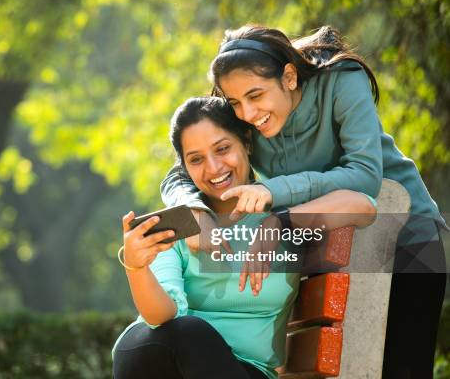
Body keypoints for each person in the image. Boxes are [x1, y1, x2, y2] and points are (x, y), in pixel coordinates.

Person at [161, 25, 447, 378]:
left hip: (405, 237)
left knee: (405, 369)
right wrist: (194, 211)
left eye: (255, 96)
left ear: (290, 77)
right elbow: (182, 167)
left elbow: (365, 176)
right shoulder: (245, 115)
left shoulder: (341, 80)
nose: (248, 114)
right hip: (326, 247)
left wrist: (276, 201)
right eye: (236, 102)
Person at [113, 97, 376, 379]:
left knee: (195, 338)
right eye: (196, 159)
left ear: (247, 143)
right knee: (189, 331)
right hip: (161, 357)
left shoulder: (281, 208)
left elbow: (363, 207)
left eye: (223, 149)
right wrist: (136, 267)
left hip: (244, 370)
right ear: (185, 168)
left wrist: (277, 223)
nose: (213, 168)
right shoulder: (180, 224)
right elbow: (161, 317)